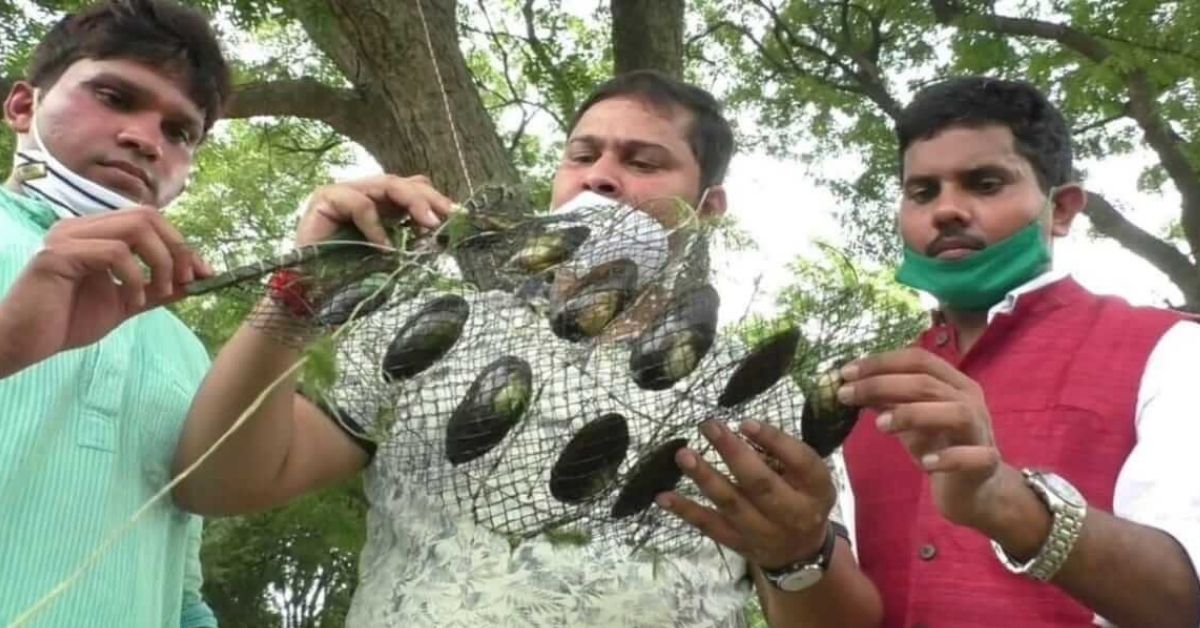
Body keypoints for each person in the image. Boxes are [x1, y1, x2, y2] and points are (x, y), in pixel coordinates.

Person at [173, 70, 855, 627]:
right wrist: (301, 289)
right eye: (583, 156)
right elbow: (218, 482)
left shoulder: (764, 394)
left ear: (708, 206)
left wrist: (798, 553)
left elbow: (840, 617)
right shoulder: (426, 336)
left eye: (643, 161)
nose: (601, 177)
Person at [669, 76, 1200, 627]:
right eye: (922, 192)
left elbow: (1186, 603)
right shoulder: (863, 394)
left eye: (986, 183)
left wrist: (1010, 505)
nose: (946, 210)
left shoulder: (1172, 353)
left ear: (1061, 210)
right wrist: (796, 554)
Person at [0, 0, 230, 624]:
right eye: (116, 97)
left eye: (179, 131)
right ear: (23, 106)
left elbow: (181, 590)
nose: (145, 140)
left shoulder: (187, 349)